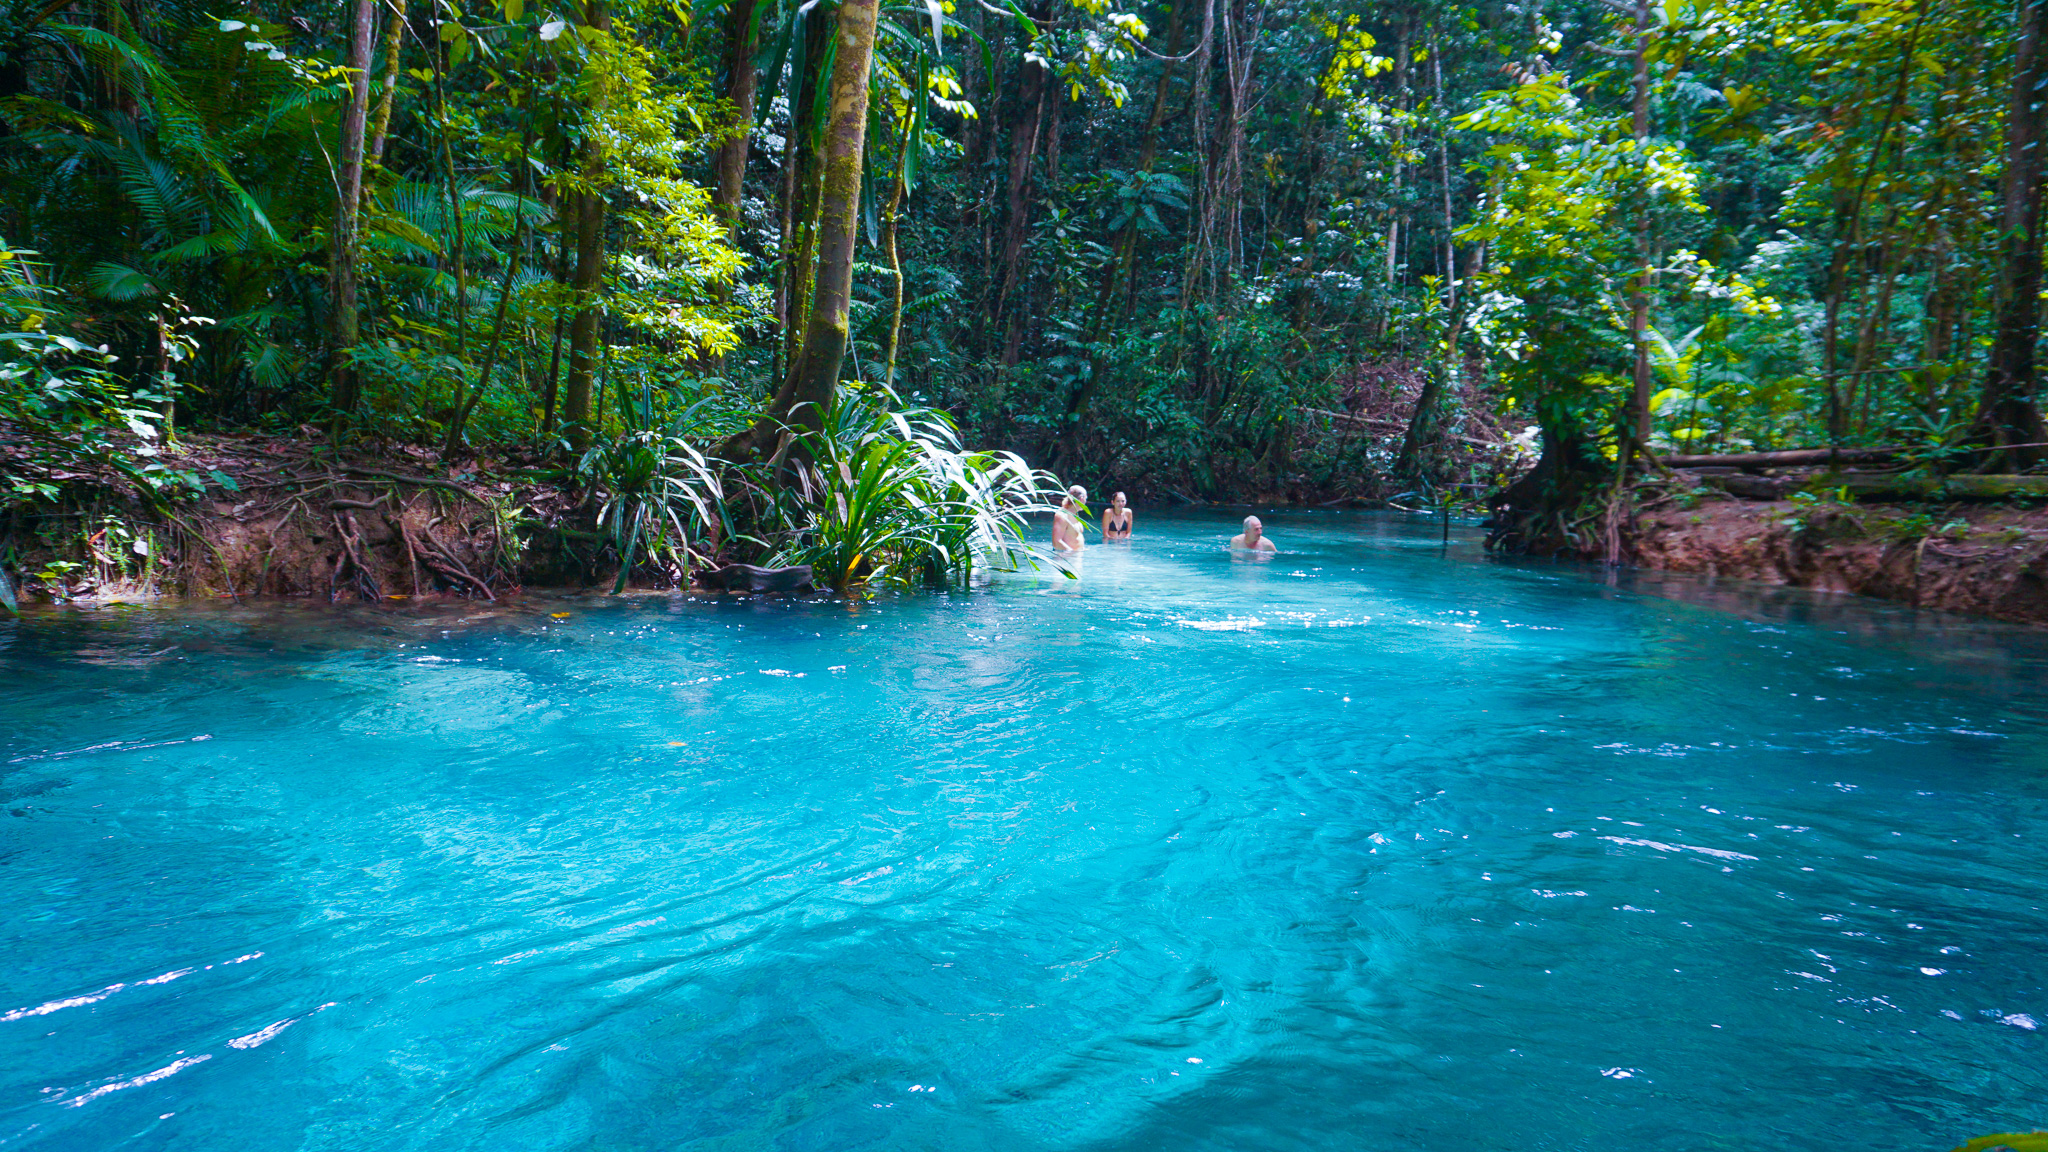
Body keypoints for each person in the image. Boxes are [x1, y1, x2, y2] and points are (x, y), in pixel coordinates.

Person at [1053, 485, 1088, 552]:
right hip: (1066, 558)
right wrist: (1072, 554)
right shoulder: (1062, 515)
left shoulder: (1075, 514)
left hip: (1075, 556)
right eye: (1086, 498)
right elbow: (1056, 542)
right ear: (1082, 499)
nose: (1085, 501)